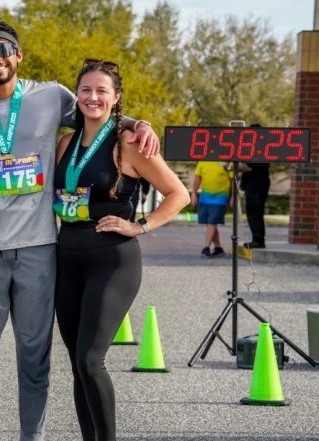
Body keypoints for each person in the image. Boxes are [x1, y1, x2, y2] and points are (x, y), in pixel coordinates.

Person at [0, 22, 159, 441]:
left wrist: (139, 123)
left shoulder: (52, 96)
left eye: (4, 48)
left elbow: (98, 111)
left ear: (18, 55)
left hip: (38, 248)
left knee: (35, 358)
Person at [53, 59, 189, 441]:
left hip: (112, 261)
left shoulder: (129, 143)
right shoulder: (64, 144)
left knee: (90, 360)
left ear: (115, 98)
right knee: (78, 365)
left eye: (102, 91)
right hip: (67, 259)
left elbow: (179, 194)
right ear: (76, 96)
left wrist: (139, 225)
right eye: (86, 90)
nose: (93, 97)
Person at [192, 160, 233, 257]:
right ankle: (218, 248)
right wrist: (194, 193)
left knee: (212, 221)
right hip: (205, 196)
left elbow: (232, 181)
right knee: (209, 223)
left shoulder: (228, 163)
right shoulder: (202, 162)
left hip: (221, 196)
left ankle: (206, 247)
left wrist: (233, 196)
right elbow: (197, 179)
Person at [239, 124, 270, 249]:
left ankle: (258, 240)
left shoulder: (259, 150)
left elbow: (249, 167)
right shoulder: (259, 149)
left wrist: (232, 167)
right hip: (255, 185)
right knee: (254, 213)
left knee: (254, 213)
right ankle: (257, 239)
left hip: (256, 186)